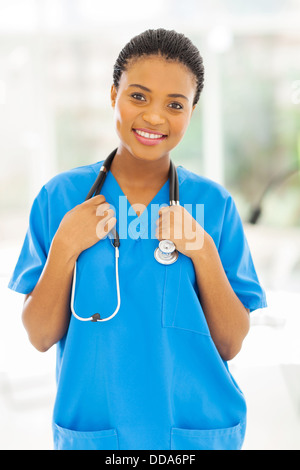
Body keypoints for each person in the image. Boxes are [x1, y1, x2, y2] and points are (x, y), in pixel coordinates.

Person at [8, 29, 267, 450]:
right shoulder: (60, 199)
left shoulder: (212, 205)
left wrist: (202, 251)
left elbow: (231, 342)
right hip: (97, 435)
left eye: (175, 104)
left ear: (191, 111)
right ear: (114, 95)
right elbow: (39, 336)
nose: (154, 117)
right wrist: (64, 248)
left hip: (194, 434)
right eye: (139, 97)